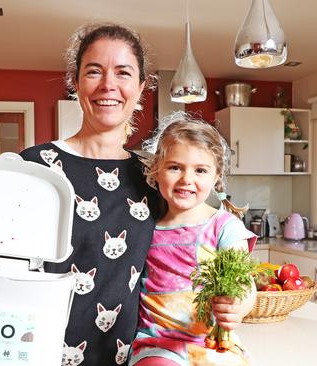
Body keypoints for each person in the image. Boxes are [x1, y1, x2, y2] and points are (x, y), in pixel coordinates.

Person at [19, 23, 159, 366]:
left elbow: (191, 251)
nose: (108, 85)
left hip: (123, 358)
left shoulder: (154, 177)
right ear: (75, 82)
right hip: (37, 353)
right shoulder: (35, 167)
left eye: (123, 73)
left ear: (140, 88)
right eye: (94, 71)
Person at [129, 112, 258, 366]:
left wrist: (239, 308)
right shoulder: (146, 226)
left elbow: (245, 284)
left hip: (214, 343)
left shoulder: (225, 227)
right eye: (175, 167)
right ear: (156, 170)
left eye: (200, 170)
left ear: (216, 176)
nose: (187, 179)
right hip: (158, 344)